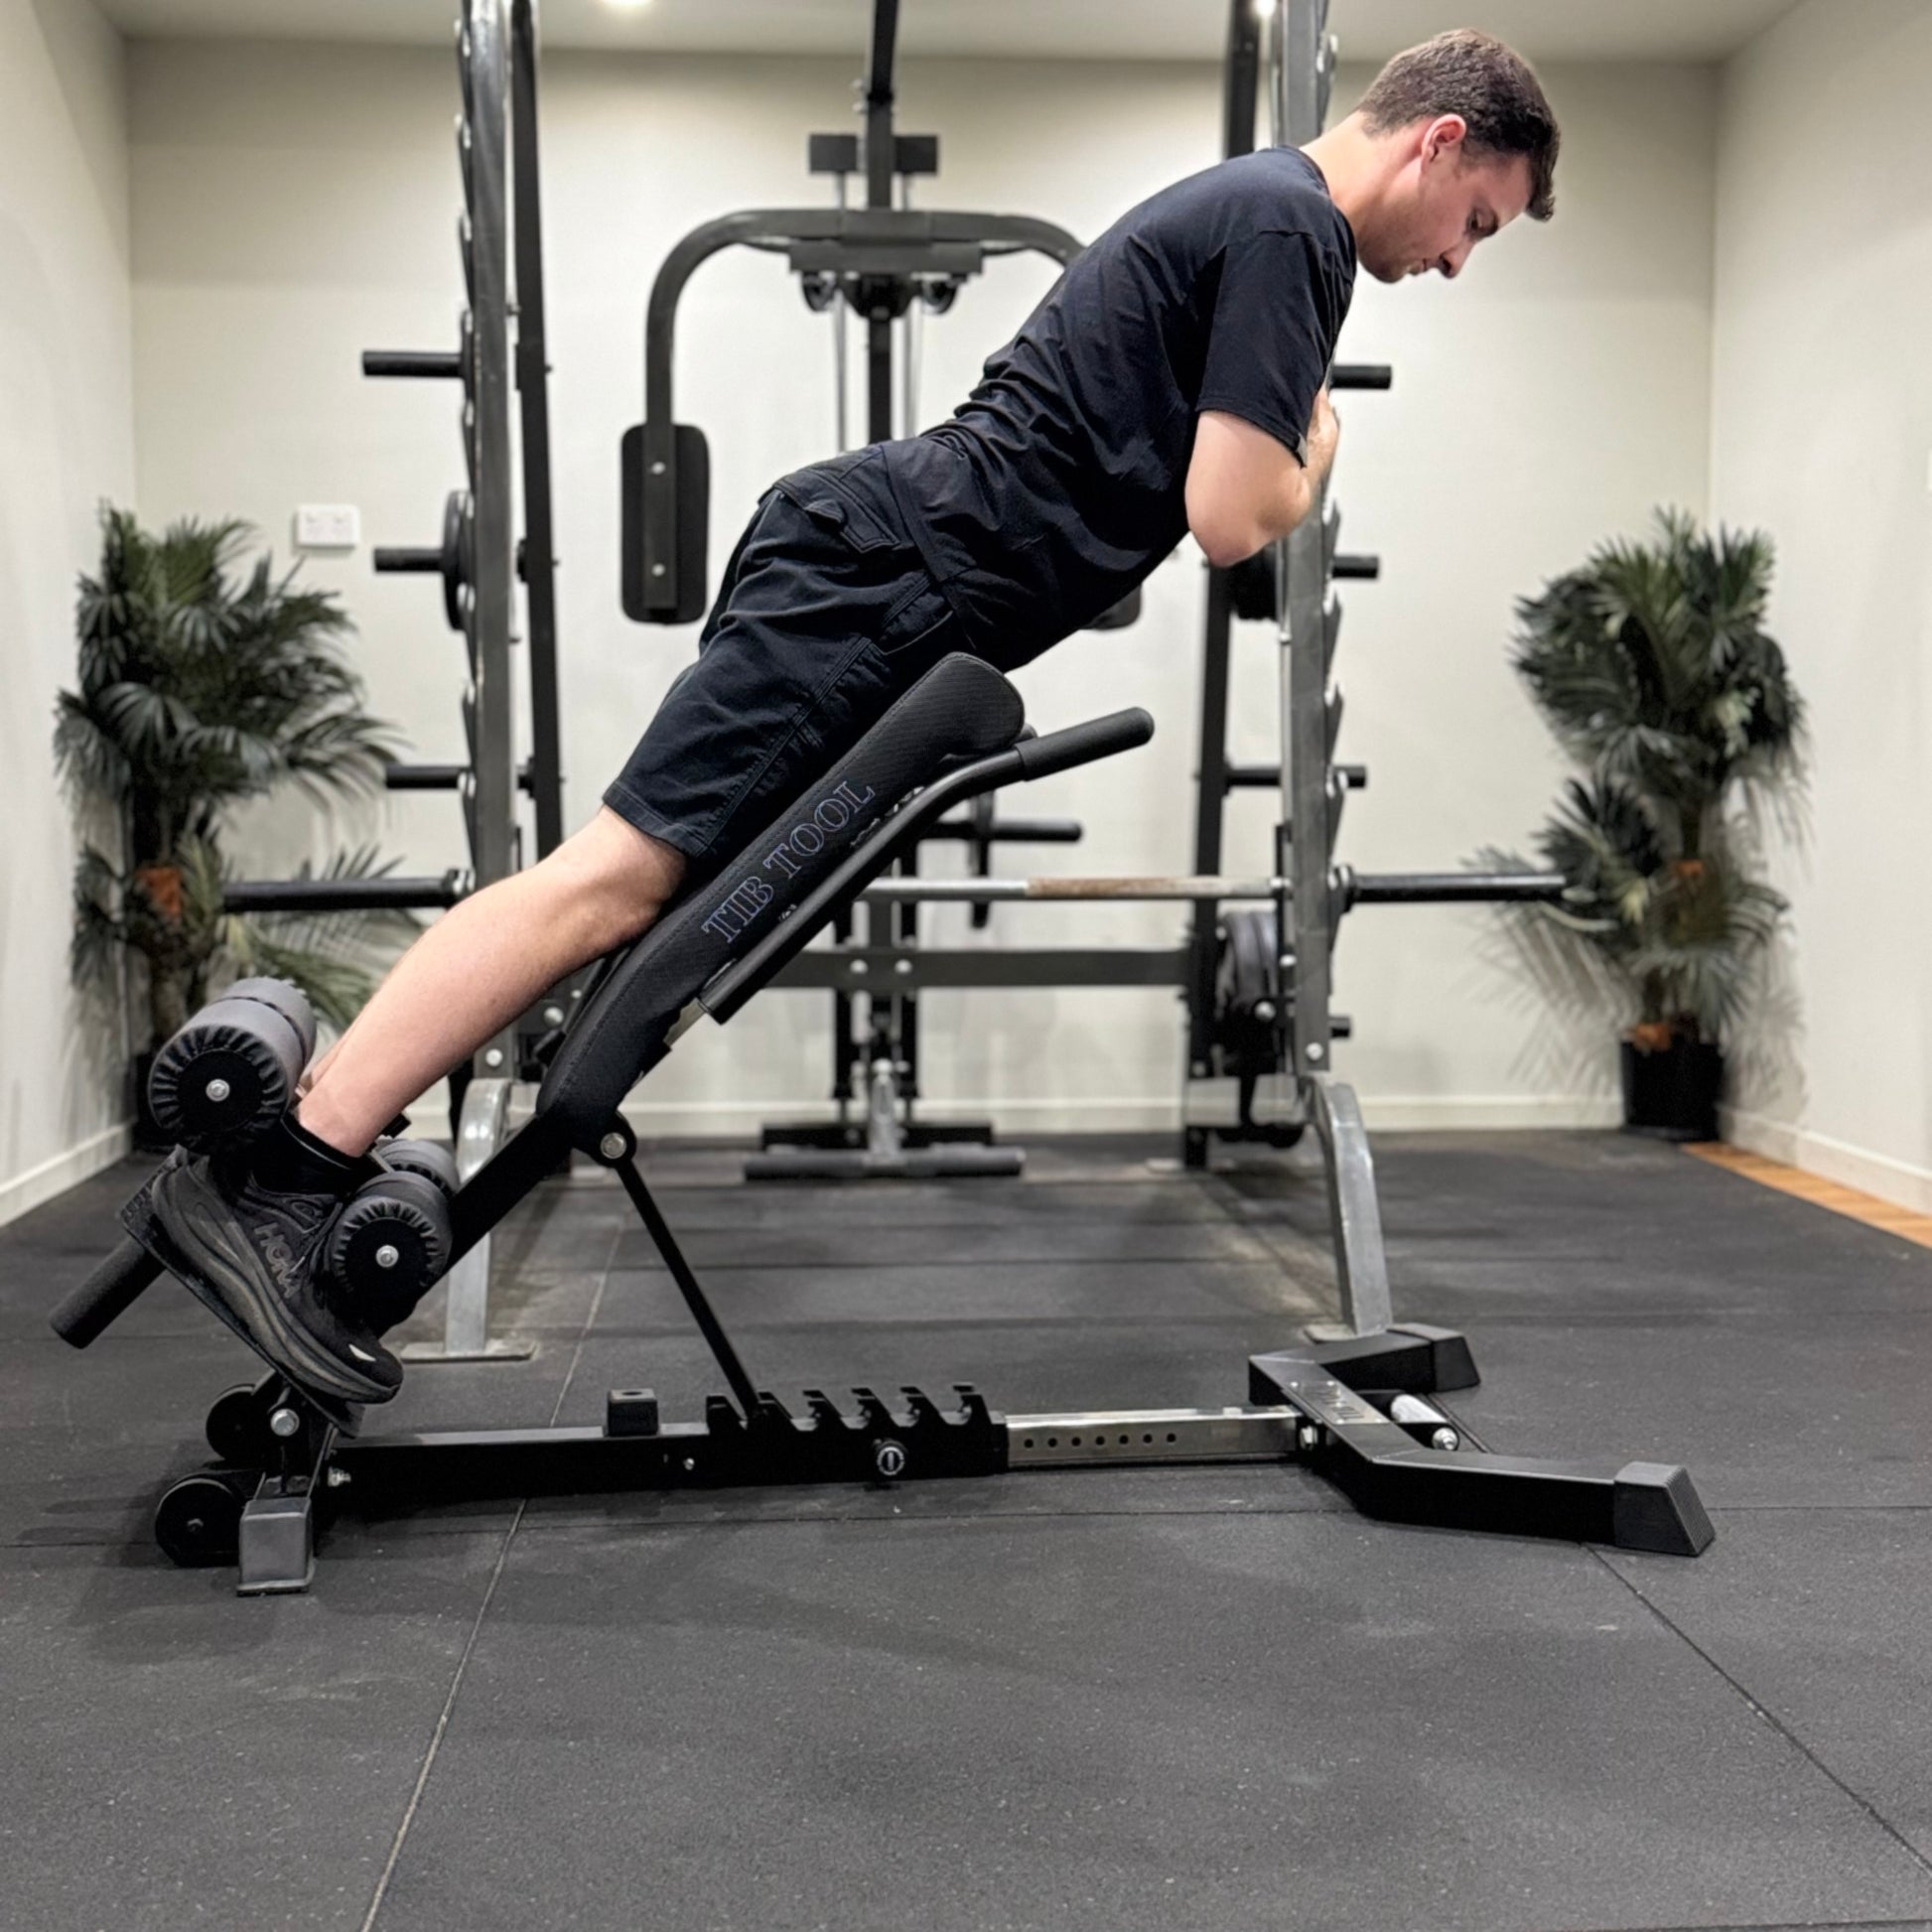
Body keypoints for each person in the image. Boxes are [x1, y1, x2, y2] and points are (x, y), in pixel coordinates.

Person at [145, 29, 1559, 1405]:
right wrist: (1317, 449)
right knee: (609, 879)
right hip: (890, 582)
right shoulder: (1291, 229)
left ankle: (315, 1145)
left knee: (625, 899)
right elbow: (1233, 516)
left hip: (892, 571)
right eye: (1475, 222)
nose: (1451, 259)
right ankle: (294, 1167)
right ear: (1439, 142)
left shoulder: (1261, 209)